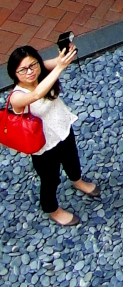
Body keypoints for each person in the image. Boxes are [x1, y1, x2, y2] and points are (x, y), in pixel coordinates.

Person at [7, 42, 98, 227]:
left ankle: (77, 181)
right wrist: (60, 67)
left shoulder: (39, 70)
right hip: (42, 144)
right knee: (50, 179)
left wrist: (65, 54)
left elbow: (57, 61)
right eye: (22, 70)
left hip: (62, 126)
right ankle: (52, 208)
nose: (30, 72)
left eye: (33, 65)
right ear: (14, 74)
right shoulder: (17, 96)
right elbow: (37, 94)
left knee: (72, 158)